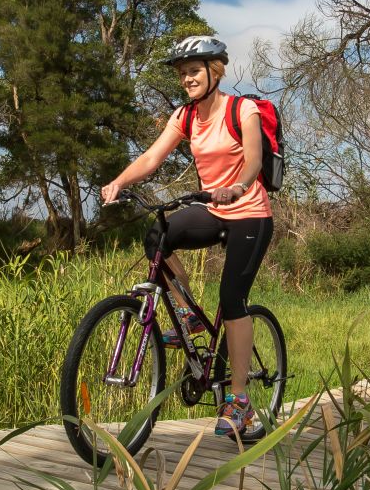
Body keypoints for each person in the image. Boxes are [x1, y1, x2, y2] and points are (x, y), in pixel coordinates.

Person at [101, 35, 274, 441]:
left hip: (249, 212)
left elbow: (253, 160)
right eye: (182, 74)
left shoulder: (241, 109)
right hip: (212, 209)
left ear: (215, 71)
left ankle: (239, 403)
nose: (187, 79)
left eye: (193, 71)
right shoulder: (185, 117)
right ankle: (189, 315)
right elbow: (151, 157)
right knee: (157, 236)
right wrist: (118, 181)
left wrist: (238, 186)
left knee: (233, 299)